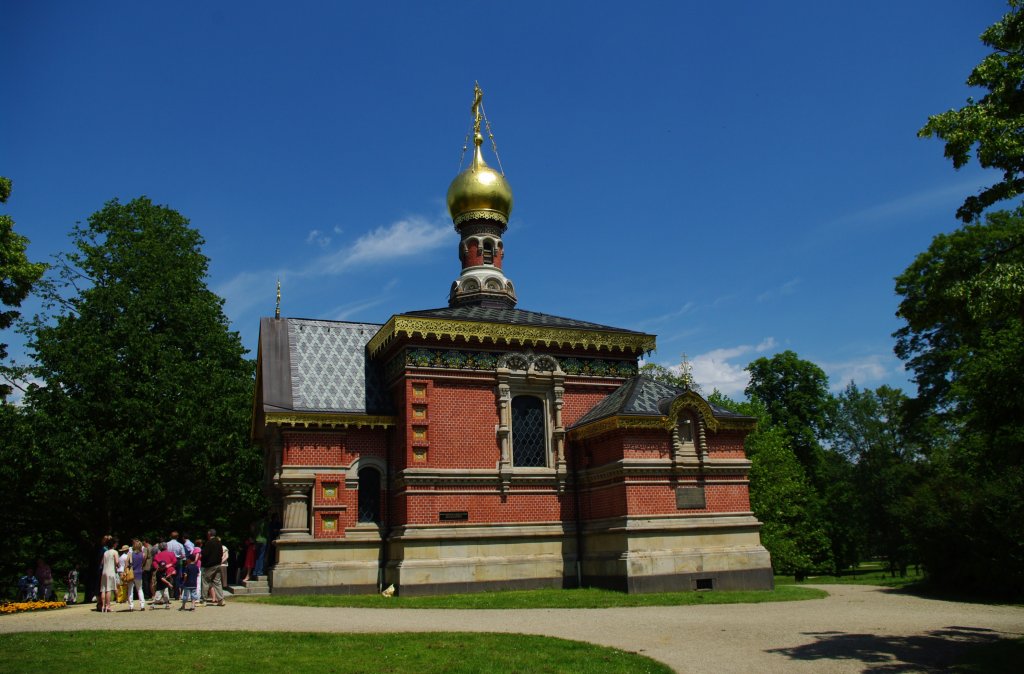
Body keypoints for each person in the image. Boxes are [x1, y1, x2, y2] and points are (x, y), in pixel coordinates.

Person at [201, 529, 225, 606]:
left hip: (210, 565)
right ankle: (221, 600)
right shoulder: (219, 542)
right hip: (218, 564)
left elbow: (205, 554)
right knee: (217, 582)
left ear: (209, 534)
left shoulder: (209, 543)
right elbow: (221, 553)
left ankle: (204, 600)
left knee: (205, 581)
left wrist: (203, 562)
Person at [99, 543, 119, 612]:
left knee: (103, 589)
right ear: (114, 545)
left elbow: (102, 563)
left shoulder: (105, 552)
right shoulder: (115, 552)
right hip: (110, 572)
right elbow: (117, 562)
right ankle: (108, 606)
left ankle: (103, 606)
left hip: (104, 572)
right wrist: (117, 566)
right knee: (109, 589)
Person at [128, 540, 146, 611]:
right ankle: (142, 605)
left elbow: (127, 563)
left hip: (132, 573)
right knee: (140, 589)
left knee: (130, 589)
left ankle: (131, 606)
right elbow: (142, 563)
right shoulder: (143, 554)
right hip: (139, 572)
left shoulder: (130, 554)